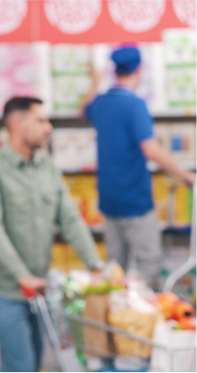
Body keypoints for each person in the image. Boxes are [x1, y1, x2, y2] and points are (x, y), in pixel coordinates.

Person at [0, 97, 103, 373]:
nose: (48, 128)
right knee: (21, 365)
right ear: (19, 124)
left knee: (35, 361)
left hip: (41, 288)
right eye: (41, 120)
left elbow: (70, 219)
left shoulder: (47, 166)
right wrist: (22, 275)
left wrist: (96, 265)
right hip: (7, 288)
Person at [83, 46, 197, 284]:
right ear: (140, 69)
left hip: (108, 199)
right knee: (149, 262)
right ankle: (135, 312)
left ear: (113, 71)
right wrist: (187, 175)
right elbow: (151, 149)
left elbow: (84, 108)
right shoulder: (134, 104)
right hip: (134, 200)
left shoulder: (102, 102)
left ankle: (117, 314)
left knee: (116, 267)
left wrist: (95, 81)